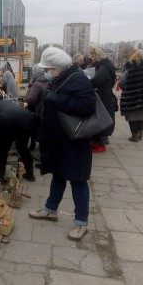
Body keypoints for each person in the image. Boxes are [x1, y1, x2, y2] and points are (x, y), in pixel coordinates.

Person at [28, 47, 96, 241]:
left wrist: (59, 100)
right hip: (60, 139)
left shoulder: (77, 78)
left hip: (74, 140)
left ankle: (81, 223)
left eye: (49, 69)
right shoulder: (61, 78)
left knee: (78, 180)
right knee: (58, 174)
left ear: (58, 67)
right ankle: (50, 209)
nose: (47, 73)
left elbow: (87, 106)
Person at [119, 49, 143, 141]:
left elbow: (121, 83)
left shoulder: (128, 69)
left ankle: (134, 135)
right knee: (141, 114)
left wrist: (127, 88)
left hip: (130, 97)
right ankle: (140, 133)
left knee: (131, 116)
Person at [88, 44, 117, 153]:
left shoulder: (103, 67)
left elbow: (97, 80)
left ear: (96, 55)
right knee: (101, 118)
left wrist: (87, 79)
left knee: (101, 119)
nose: (90, 57)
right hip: (104, 95)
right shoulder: (104, 65)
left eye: (91, 55)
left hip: (103, 97)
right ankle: (98, 143)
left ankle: (100, 145)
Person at [25, 64, 50, 153]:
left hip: (39, 111)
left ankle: (42, 155)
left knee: (36, 129)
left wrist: (29, 90)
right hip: (48, 111)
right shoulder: (49, 80)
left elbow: (30, 100)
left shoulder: (36, 83)